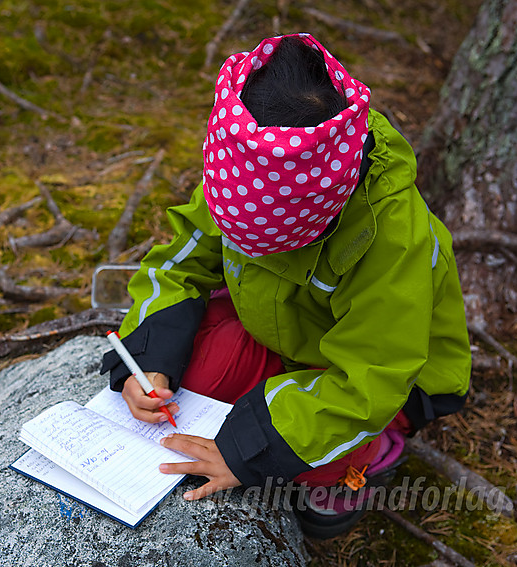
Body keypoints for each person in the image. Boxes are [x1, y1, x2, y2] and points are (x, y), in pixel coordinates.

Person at [102, 33, 471, 538]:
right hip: (283, 329)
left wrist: (244, 453)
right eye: (236, 231)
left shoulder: (391, 237)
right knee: (187, 384)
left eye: (267, 241)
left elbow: (374, 377)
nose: (242, 242)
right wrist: (147, 362)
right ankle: (281, 409)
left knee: (304, 458)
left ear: (324, 207)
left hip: (385, 380)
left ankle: (369, 454)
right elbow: (177, 265)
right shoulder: (245, 170)